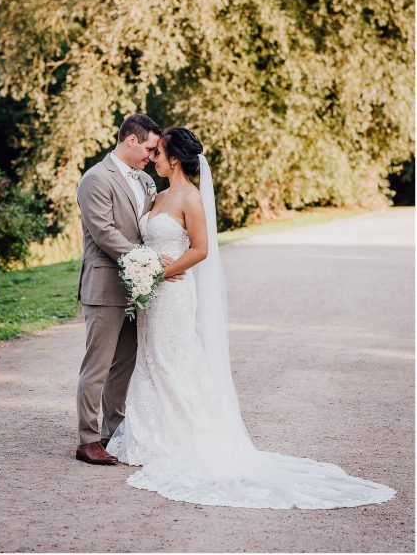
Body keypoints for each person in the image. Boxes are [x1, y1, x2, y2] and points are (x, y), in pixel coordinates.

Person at [107, 127, 396, 509]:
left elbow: (202, 249)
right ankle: (149, 436)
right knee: (151, 359)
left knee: (172, 361)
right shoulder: (157, 195)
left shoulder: (191, 198)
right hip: (152, 296)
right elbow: (147, 242)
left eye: (158, 153)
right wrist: (144, 266)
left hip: (173, 292)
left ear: (174, 158)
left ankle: (186, 438)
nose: (153, 158)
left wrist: (162, 271)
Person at [76, 113, 183, 466]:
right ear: (132, 140)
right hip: (105, 285)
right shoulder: (95, 179)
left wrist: (151, 266)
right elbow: (104, 232)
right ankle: (87, 440)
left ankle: (113, 431)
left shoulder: (145, 182)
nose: (152, 157)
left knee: (124, 365)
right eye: (150, 149)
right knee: (98, 365)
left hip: (138, 289)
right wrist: (150, 261)